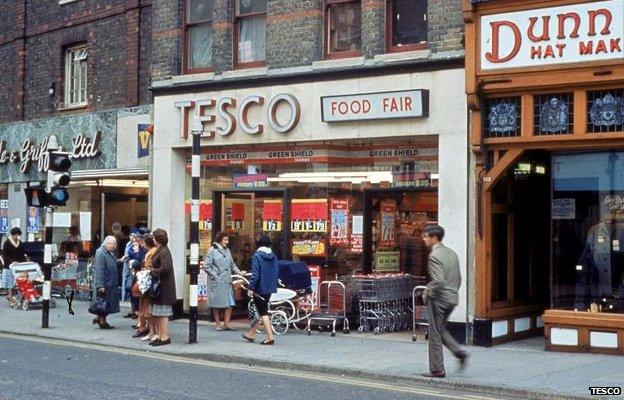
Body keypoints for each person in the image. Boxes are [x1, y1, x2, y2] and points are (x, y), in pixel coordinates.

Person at [420, 224, 468, 378]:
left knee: (434, 333)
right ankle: (459, 352)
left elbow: (438, 281)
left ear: (434, 238)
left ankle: (437, 369)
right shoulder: (451, 253)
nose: (423, 239)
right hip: (452, 298)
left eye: (426, 236)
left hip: (438, 299)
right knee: (441, 329)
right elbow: (458, 278)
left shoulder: (434, 256)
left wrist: (427, 293)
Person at [242, 235, 279, 345]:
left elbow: (256, 274)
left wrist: (251, 287)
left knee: (263, 312)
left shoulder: (257, 256)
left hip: (260, 287)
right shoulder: (273, 256)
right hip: (269, 287)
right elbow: (276, 271)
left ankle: (270, 337)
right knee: (260, 310)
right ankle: (252, 333)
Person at [205, 232, 242, 331]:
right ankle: (217, 323)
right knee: (216, 302)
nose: (227, 242)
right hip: (218, 281)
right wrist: (215, 276)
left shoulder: (227, 251)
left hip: (227, 281)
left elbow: (232, 265)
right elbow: (206, 266)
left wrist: (240, 273)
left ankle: (227, 323)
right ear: (220, 240)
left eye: (227, 240)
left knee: (230, 302)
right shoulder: (212, 250)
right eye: (225, 240)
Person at [149, 228, 176, 346]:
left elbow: (166, 268)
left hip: (164, 286)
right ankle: (160, 336)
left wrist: (153, 271)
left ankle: (165, 337)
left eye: (154, 238)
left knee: (163, 313)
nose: (153, 240)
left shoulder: (164, 251)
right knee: (159, 313)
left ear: (158, 239)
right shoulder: (161, 249)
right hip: (161, 285)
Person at [93, 236, 121, 329]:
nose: (111, 246)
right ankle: (103, 322)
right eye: (109, 243)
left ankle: (98, 318)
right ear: (105, 243)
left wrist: (119, 261)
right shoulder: (101, 253)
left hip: (109, 282)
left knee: (103, 301)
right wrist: (100, 285)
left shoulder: (108, 252)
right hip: (106, 282)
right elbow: (100, 269)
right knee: (105, 302)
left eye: (113, 244)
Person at [134, 233, 157, 340]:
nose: (142, 244)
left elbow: (148, 265)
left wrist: (144, 268)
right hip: (147, 282)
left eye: (143, 242)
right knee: (145, 306)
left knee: (146, 307)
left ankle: (147, 329)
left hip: (147, 283)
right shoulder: (152, 251)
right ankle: (146, 328)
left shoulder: (151, 252)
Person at [1, 227, 27, 307]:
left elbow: (22, 254)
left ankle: (15, 297)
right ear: (13, 235)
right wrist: (12, 262)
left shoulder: (20, 243)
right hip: (9, 266)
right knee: (10, 284)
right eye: (16, 235)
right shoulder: (7, 243)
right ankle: (11, 300)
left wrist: (25, 260)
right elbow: (5, 255)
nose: (17, 237)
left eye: (18, 235)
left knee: (19, 282)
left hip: (18, 266)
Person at [127, 233, 146, 321]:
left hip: (141, 274)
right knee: (133, 292)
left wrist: (136, 252)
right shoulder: (139, 247)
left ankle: (139, 317)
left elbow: (139, 260)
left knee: (139, 295)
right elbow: (130, 253)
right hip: (136, 273)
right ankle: (136, 313)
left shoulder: (143, 249)